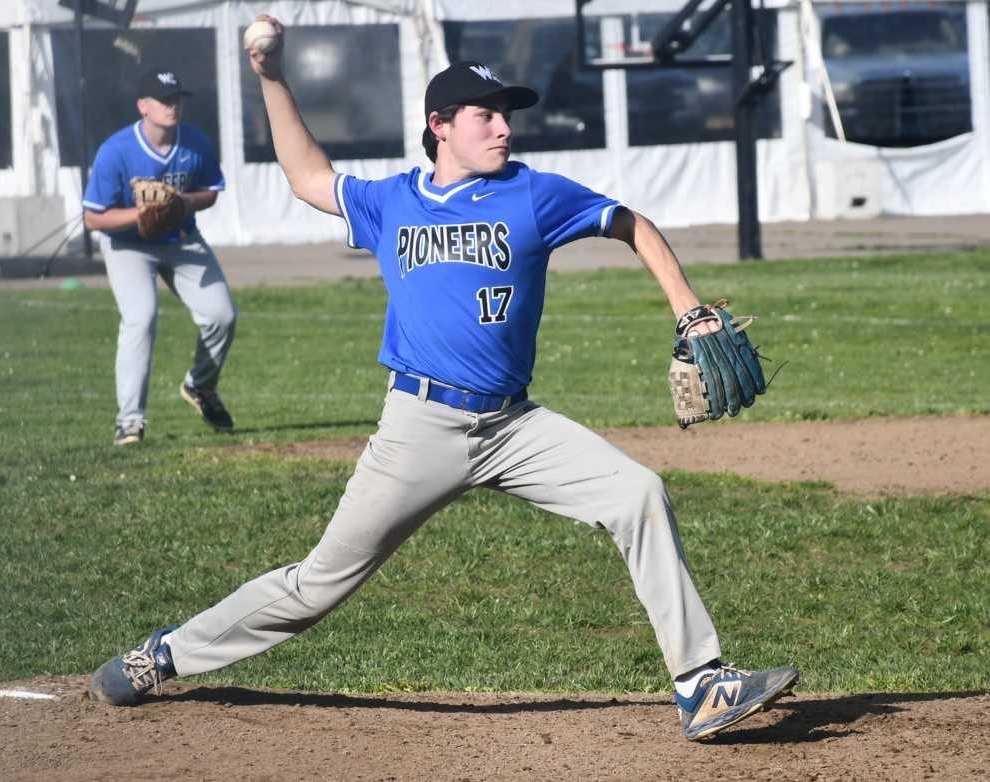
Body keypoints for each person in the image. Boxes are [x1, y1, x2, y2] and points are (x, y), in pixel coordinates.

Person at [89, 22, 799, 741]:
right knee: (315, 587)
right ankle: (165, 654)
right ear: (439, 127)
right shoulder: (392, 201)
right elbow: (307, 177)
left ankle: (700, 684)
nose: (502, 128)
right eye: (485, 115)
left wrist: (687, 308)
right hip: (418, 429)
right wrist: (270, 75)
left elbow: (632, 225)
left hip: (515, 428)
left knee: (638, 493)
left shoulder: (534, 194)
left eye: (505, 115)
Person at [82, 67, 237, 446]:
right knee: (140, 318)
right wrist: (140, 215)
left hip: (181, 239)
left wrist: (183, 203)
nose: (173, 106)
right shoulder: (116, 151)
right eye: (164, 100)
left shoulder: (195, 142)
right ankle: (130, 421)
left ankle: (199, 387)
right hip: (128, 245)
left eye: (177, 99)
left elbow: (211, 192)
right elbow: (91, 217)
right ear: (143, 107)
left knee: (222, 315)